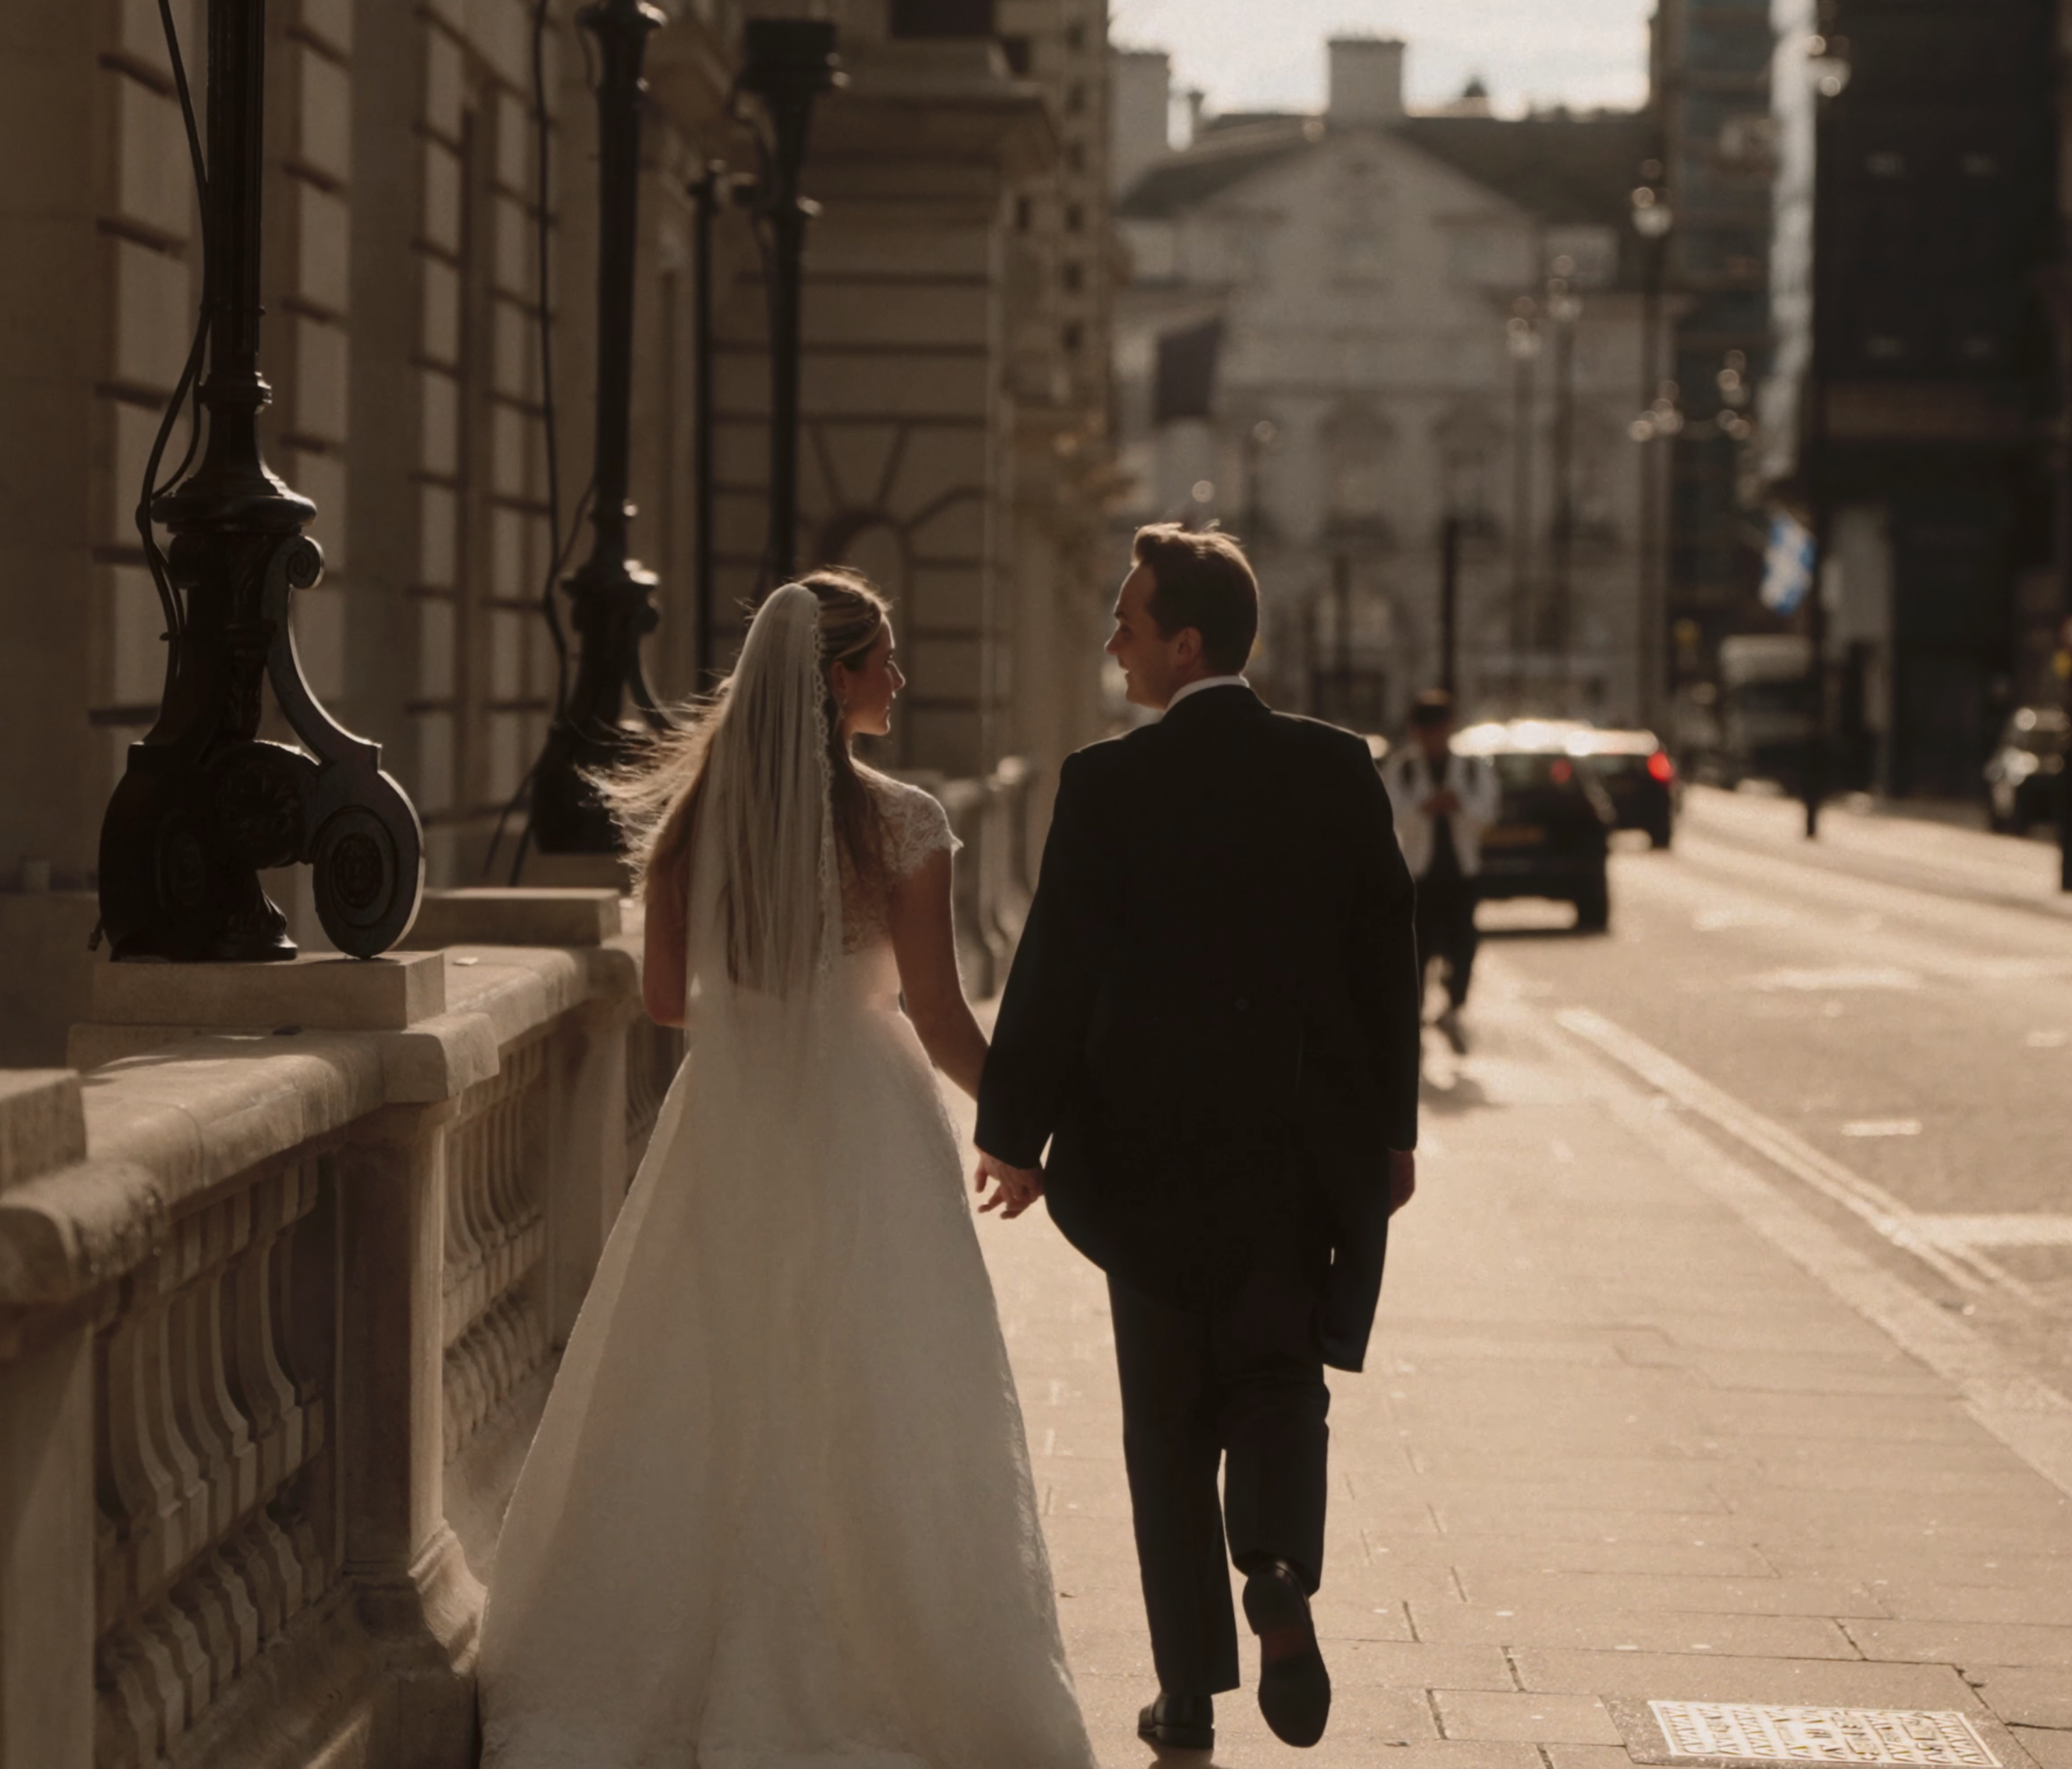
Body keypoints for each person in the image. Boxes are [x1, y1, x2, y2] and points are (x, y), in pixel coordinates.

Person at [479, 571, 1094, 1769]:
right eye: (885, 662)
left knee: (710, 1372)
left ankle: (664, 1661)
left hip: (734, 1114)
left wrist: (767, 994)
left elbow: (666, 999)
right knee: (879, 1384)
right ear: (833, 678)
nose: (900, 682)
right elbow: (935, 1011)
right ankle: (880, 1652)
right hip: (869, 1121)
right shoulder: (902, 821)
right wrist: (1027, 1129)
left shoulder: (694, 822)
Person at [974, 524, 1420, 1753]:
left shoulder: (1107, 784)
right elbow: (1388, 954)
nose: (1110, 639)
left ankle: (1186, 1693)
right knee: (1279, 1377)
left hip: (1145, 1159)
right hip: (1295, 1149)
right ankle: (1274, 1560)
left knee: (1164, 1429)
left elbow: (1052, 970)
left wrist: (1013, 1131)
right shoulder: (1336, 768)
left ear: (1185, 641)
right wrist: (1393, 1129)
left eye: (1128, 620)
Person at [1382, 689, 1499, 1054]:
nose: (1434, 738)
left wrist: (1458, 805)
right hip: (1418, 875)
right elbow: (1391, 815)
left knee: (1464, 945)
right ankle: (1414, 1021)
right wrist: (1425, 808)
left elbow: (1487, 815)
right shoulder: (1402, 768)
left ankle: (1453, 1008)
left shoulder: (1470, 769)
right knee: (1418, 950)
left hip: (1461, 872)